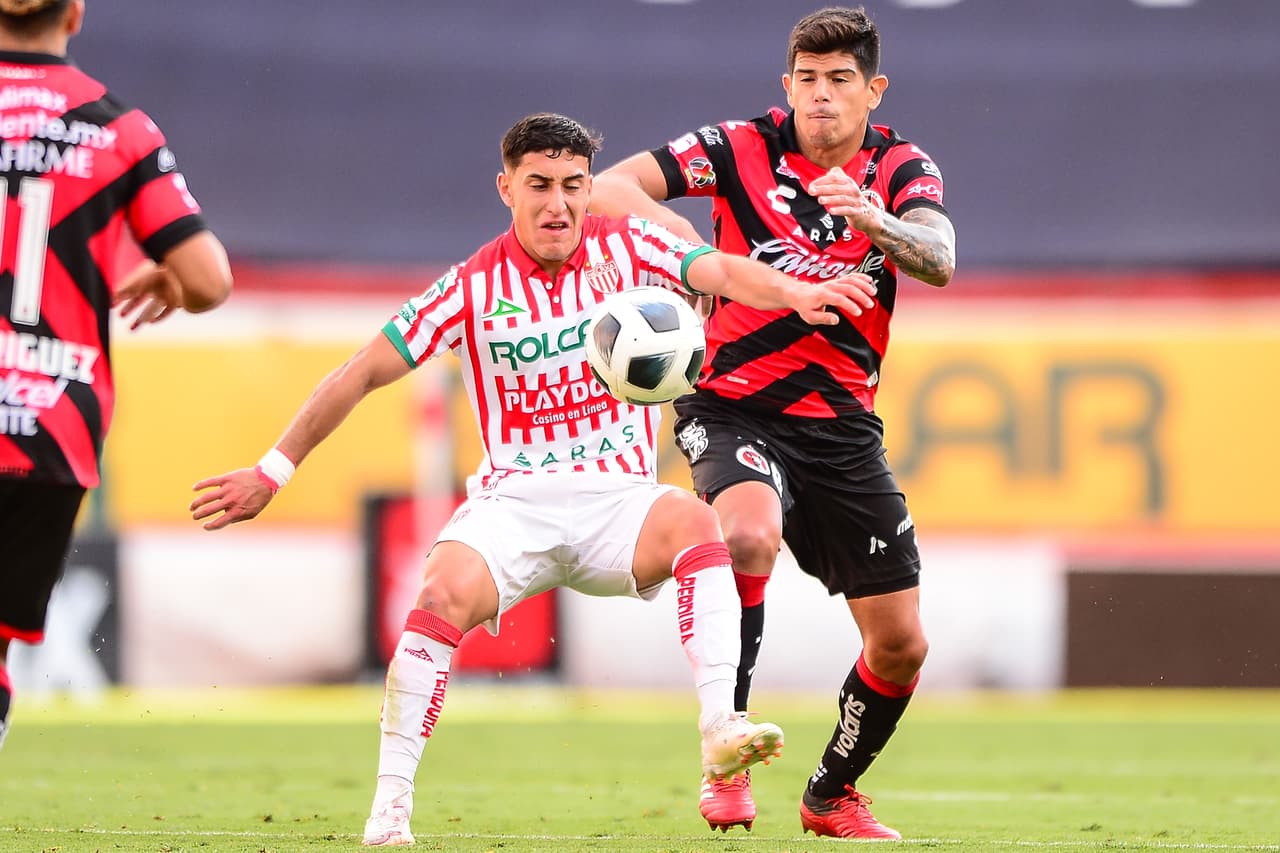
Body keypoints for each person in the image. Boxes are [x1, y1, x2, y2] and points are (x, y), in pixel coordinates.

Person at [188, 112, 878, 846]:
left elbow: (723, 271)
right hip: (513, 505)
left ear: (590, 188)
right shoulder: (471, 285)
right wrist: (272, 470)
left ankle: (719, 729)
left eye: (574, 186)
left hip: (618, 501)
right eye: (539, 185)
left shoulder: (631, 246)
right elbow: (361, 372)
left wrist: (794, 293)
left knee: (698, 521)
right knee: (437, 595)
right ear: (506, 189)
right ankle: (389, 809)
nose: (558, 204)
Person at [589, 5, 956, 839]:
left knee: (901, 645)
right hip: (731, 405)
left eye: (840, 80)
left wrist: (873, 220)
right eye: (807, 79)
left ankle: (830, 793)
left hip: (842, 426)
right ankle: (727, 744)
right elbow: (611, 186)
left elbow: (939, 259)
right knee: (747, 535)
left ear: (873, 89)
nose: (821, 95)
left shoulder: (901, 166)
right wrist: (686, 245)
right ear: (787, 83)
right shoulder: (738, 146)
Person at [0, 0, 233, 751]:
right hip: (52, 419)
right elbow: (210, 281)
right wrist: (171, 280)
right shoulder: (118, 128)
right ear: (74, 14)